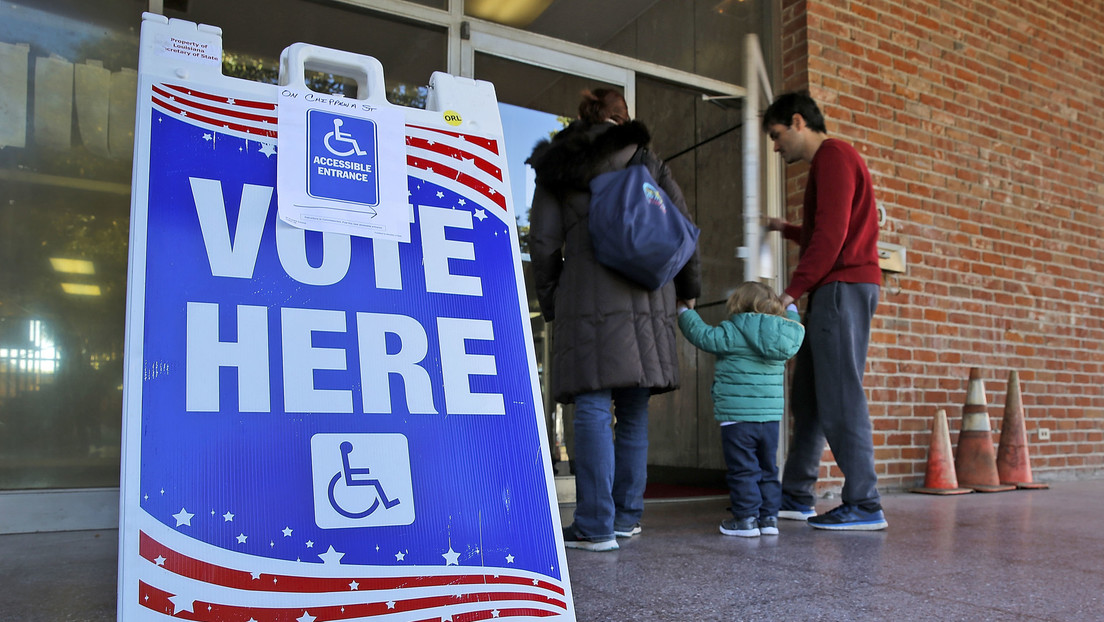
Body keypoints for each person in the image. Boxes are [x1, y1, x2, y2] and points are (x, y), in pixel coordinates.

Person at [526, 88, 701, 551]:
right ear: (621, 118)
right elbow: (683, 228)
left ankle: (595, 525)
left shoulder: (558, 166)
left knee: (592, 404)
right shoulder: (647, 159)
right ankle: (626, 517)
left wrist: (552, 300)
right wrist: (689, 292)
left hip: (585, 295)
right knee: (634, 411)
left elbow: (543, 244)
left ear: (586, 117)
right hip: (650, 293)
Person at [762, 91, 887, 530]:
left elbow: (832, 238)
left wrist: (790, 292)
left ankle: (865, 503)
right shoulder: (832, 161)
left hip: (842, 288)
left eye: (776, 136)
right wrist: (787, 229)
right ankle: (796, 494)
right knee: (810, 398)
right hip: (838, 287)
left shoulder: (834, 156)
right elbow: (829, 230)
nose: (776, 147)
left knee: (840, 394)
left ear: (798, 122)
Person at [677, 282, 805, 537]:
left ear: (738, 304)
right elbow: (792, 320)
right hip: (769, 419)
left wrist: (684, 311)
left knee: (744, 469)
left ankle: (746, 519)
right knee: (768, 468)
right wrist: (791, 306)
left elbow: (702, 335)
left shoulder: (733, 330)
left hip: (737, 418)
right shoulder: (784, 334)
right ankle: (768, 519)